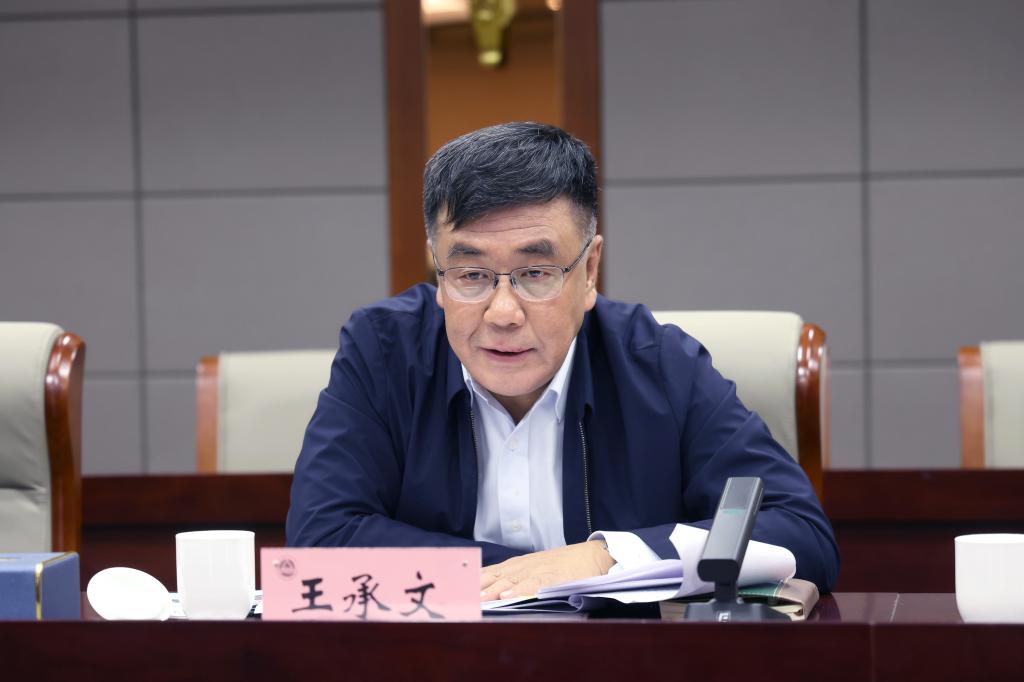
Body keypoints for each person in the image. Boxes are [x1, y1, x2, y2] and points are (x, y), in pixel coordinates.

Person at [286, 122, 839, 600]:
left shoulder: (659, 364)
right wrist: (532, 571)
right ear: (439, 272)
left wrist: (604, 558)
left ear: (590, 270)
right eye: (471, 275)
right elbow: (319, 542)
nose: (503, 313)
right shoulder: (384, 352)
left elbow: (799, 533)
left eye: (536, 273)